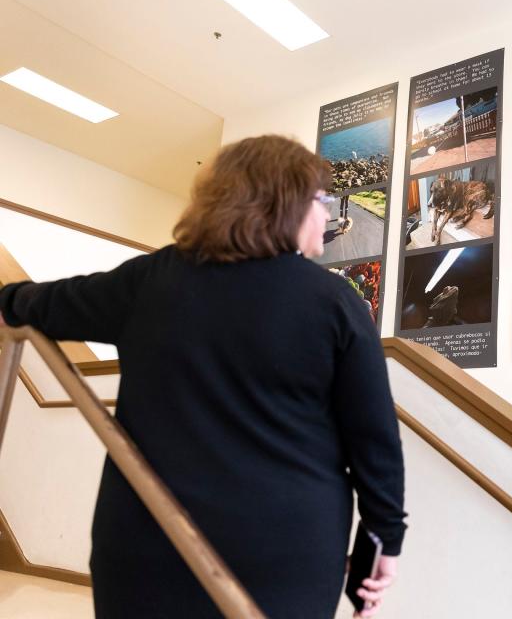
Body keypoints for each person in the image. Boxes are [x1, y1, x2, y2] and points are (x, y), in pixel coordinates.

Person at [0, 135, 406, 619]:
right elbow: (375, 447)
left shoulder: (149, 281)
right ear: (286, 203)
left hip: (146, 547)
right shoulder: (335, 304)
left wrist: (8, 303)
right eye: (319, 200)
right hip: (281, 556)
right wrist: (375, 557)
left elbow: (40, 305)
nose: (325, 213)